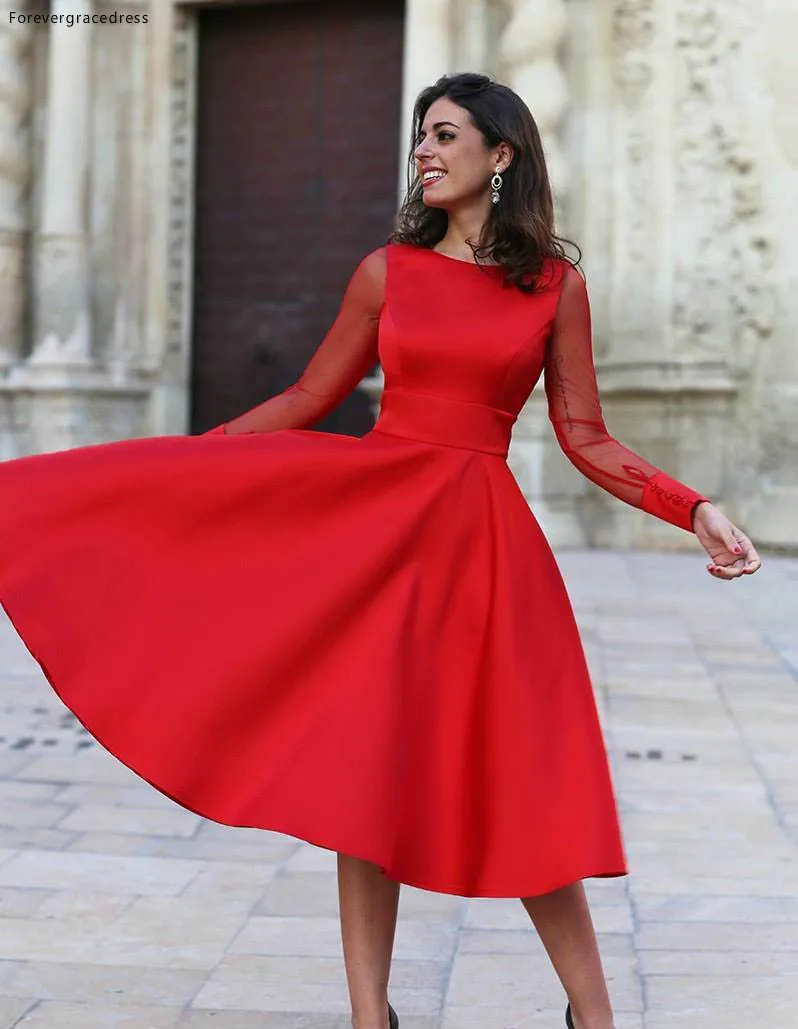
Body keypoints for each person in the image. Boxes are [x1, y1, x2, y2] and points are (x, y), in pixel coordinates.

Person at [0, 73, 761, 1029]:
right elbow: (307, 400)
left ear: (502, 154)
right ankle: (372, 1018)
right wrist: (184, 466)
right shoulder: (385, 273)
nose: (425, 152)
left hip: (484, 553)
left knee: (521, 780)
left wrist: (692, 508)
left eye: (445, 135)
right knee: (364, 776)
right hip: (377, 541)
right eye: (419, 138)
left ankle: (593, 1017)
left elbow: (585, 435)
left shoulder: (554, 288)